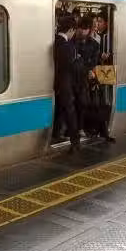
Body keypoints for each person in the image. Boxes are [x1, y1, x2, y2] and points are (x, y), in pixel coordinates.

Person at [52, 15, 80, 152]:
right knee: (70, 111)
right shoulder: (68, 46)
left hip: (55, 84)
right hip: (65, 84)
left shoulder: (54, 41)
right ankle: (75, 141)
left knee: (59, 109)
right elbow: (71, 67)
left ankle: (56, 133)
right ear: (71, 30)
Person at [73, 16, 97, 136]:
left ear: (90, 30)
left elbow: (94, 61)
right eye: (81, 28)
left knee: (83, 103)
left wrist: (88, 69)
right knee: (72, 104)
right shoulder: (72, 41)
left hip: (84, 79)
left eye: (86, 29)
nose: (83, 31)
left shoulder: (94, 44)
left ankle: (81, 127)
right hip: (73, 77)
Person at [95, 13, 115, 143]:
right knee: (100, 100)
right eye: (97, 21)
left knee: (105, 100)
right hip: (98, 69)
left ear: (106, 23)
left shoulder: (108, 37)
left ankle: (104, 128)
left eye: (100, 21)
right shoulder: (97, 36)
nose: (98, 24)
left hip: (106, 69)